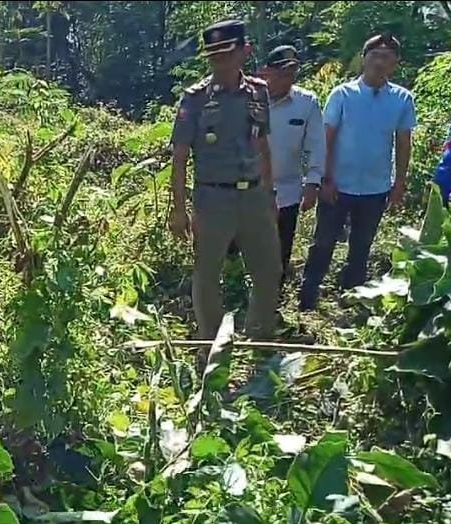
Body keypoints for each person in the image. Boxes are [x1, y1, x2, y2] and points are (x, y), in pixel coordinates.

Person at [170, 19, 280, 342]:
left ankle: (259, 339)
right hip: (213, 199)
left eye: (226, 54)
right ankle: (213, 348)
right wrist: (179, 209)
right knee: (207, 276)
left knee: (268, 271)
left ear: (245, 51)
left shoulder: (259, 92)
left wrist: (270, 195)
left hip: (254, 197)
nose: (219, 61)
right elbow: (179, 158)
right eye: (213, 56)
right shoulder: (194, 99)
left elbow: (262, 146)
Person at [298, 34, 416, 311]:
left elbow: (403, 143)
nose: (379, 62)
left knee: (361, 246)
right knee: (324, 242)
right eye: (374, 55)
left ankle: (351, 299)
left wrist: (399, 182)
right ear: (364, 59)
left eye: (386, 56)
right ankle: (308, 297)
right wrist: (324, 179)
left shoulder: (401, 98)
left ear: (395, 63)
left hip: (375, 187)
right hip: (338, 184)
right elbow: (326, 138)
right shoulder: (343, 94)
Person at [258, 44, 325, 282]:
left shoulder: (306, 103)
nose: (288, 80)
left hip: (286, 191)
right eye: (283, 74)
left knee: (279, 253)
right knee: (239, 251)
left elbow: (316, 145)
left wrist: (313, 183)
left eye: (292, 75)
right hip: (247, 190)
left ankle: (272, 301)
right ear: (266, 72)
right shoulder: (248, 99)